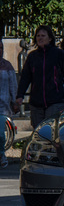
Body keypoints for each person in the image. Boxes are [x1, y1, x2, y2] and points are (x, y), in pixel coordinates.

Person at [16, 26, 64, 128]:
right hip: (36, 102)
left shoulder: (58, 54)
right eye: (38, 36)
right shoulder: (32, 56)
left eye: (43, 36)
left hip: (55, 101)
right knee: (38, 131)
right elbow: (25, 77)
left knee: (51, 130)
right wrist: (20, 95)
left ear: (50, 38)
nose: (40, 38)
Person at [0, 38, 18, 168]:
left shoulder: (7, 66)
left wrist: (16, 101)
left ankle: (1, 155)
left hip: (3, 107)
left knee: (0, 134)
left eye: (1, 48)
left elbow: (13, 86)